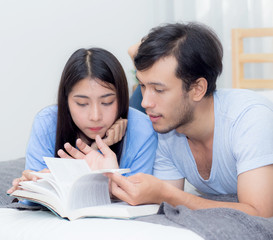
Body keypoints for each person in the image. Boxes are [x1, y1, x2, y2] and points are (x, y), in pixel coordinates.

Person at [59, 23, 273, 218]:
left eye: (159, 89)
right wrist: (107, 178)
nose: (145, 102)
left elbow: (260, 213)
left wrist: (167, 194)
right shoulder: (167, 130)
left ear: (197, 89)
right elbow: (156, 200)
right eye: (143, 86)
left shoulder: (250, 119)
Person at [7, 47, 157, 194]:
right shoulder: (47, 122)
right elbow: (33, 190)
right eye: (82, 104)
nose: (95, 116)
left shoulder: (143, 129)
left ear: (122, 98)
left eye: (107, 102)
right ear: (66, 101)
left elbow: (138, 197)